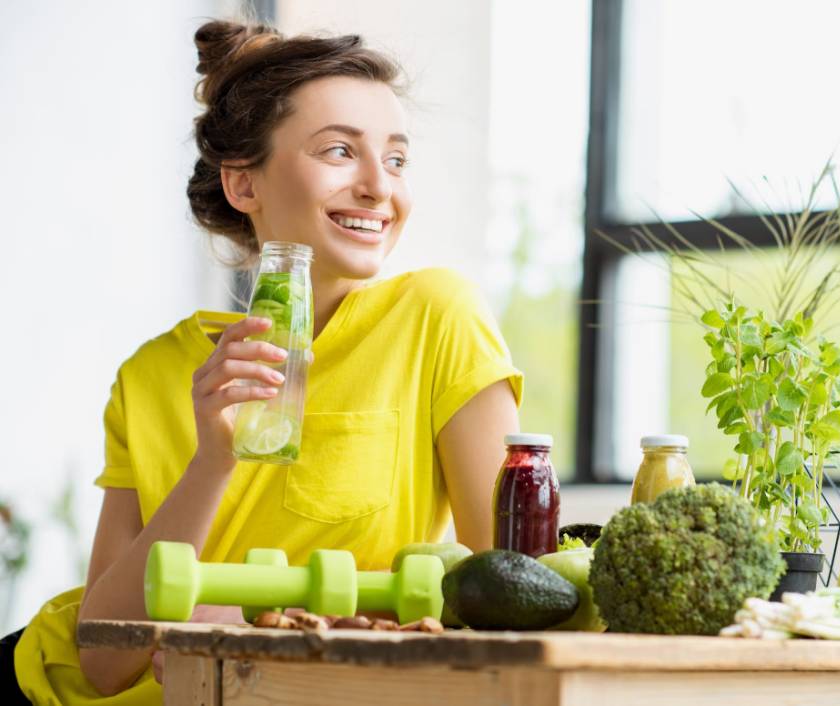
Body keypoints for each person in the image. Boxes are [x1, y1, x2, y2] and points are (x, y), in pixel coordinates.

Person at [6, 19, 522, 705]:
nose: (378, 186)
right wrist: (212, 459)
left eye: (396, 159)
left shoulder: (438, 318)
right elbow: (104, 663)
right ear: (243, 185)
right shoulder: (153, 375)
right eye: (340, 151)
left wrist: (251, 623)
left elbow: (515, 598)